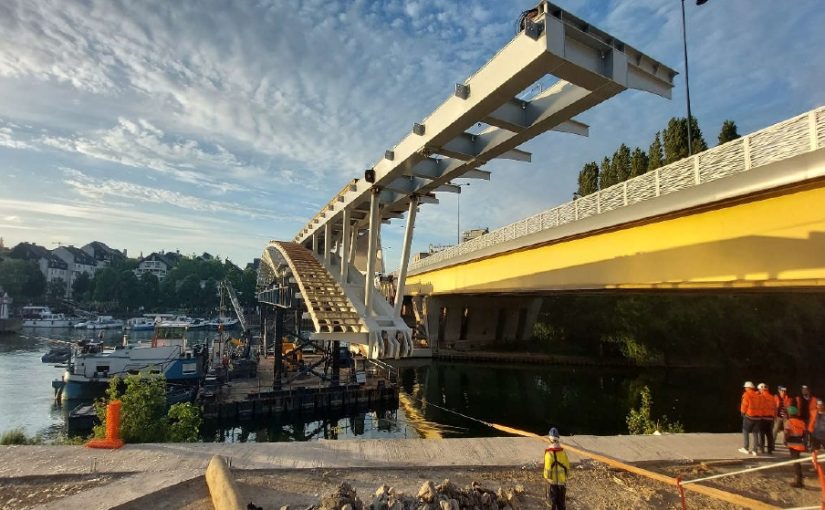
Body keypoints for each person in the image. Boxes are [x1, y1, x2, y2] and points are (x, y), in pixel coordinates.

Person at [544, 427, 570, 510]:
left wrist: (546, 478)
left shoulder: (548, 454)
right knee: (561, 504)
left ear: (549, 439)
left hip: (552, 483)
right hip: (562, 483)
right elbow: (567, 467)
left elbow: (547, 472)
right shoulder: (563, 452)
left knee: (551, 504)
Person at [784, 406, 807, 488]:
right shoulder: (801, 422)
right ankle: (799, 479)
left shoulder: (789, 422)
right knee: (797, 461)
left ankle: (798, 481)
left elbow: (787, 432)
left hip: (792, 444)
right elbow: (804, 434)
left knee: (796, 463)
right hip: (799, 444)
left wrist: (785, 440)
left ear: (789, 413)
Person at [739, 381, 760, 456]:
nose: (745, 389)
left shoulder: (746, 394)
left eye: (745, 387)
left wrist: (742, 413)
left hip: (749, 416)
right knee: (755, 433)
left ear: (748, 388)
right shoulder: (757, 395)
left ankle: (746, 448)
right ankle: (755, 450)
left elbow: (744, 405)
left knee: (745, 431)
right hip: (757, 417)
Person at [757, 383, 775, 454]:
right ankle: (770, 450)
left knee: (761, 434)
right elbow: (775, 408)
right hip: (770, 418)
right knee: (769, 435)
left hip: (762, 418)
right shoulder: (772, 397)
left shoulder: (760, 397)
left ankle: (762, 449)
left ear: (761, 389)